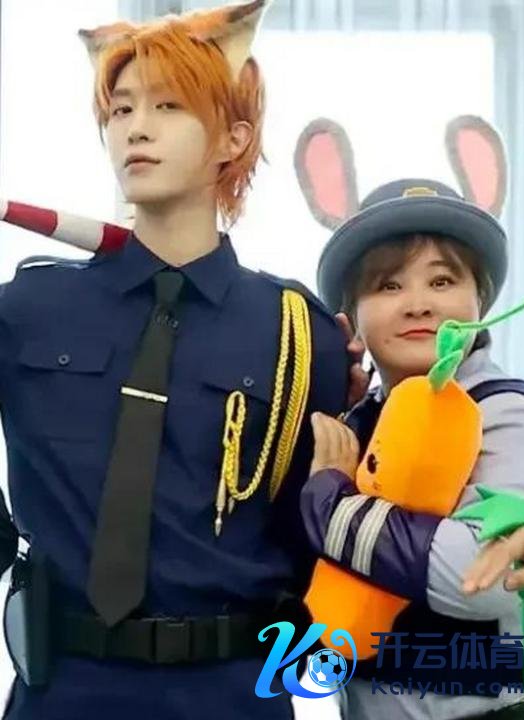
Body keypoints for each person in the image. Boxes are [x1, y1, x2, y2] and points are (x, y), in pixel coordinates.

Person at [0, 2, 351, 718]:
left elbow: (318, 526)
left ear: (233, 137)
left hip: (232, 690)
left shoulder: (297, 332)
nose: (136, 127)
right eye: (121, 109)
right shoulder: (25, 310)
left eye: (167, 106)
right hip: (63, 690)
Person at [300, 178, 524, 719]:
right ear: (352, 319)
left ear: (480, 302)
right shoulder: (356, 422)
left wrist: (333, 505)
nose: (418, 305)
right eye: (388, 285)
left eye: (442, 280)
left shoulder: (508, 411)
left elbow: (483, 577)